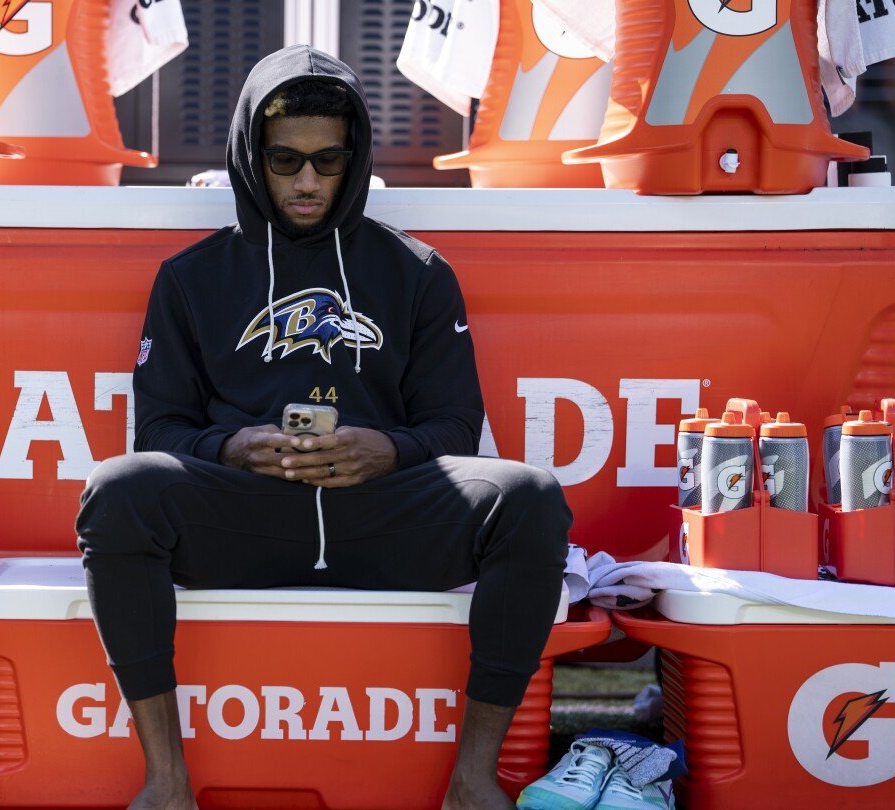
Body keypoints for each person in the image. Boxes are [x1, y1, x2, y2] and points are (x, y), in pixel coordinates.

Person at [76, 45, 571, 810]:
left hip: (381, 518)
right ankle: (166, 784)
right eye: (284, 160)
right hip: (246, 519)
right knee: (119, 491)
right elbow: (161, 430)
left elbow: (453, 425)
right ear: (252, 157)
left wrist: (389, 451)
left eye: (328, 160)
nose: (307, 181)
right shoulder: (190, 277)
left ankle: (473, 781)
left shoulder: (417, 272)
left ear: (354, 158)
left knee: (530, 497)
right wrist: (232, 447)